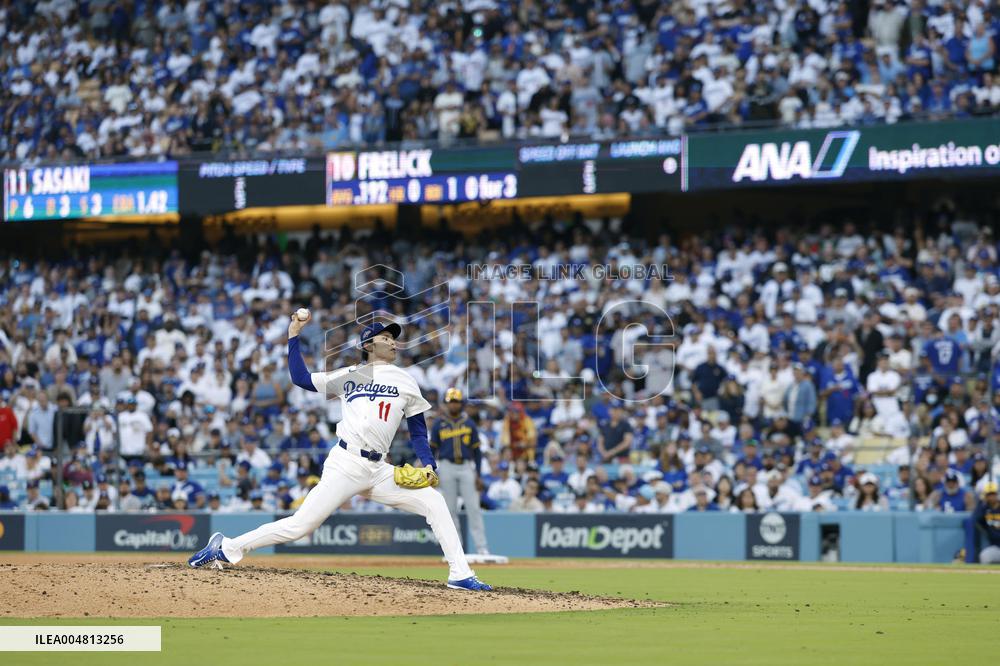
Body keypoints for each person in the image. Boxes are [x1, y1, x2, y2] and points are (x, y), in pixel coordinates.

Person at [189, 316, 491, 591]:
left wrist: (428, 464)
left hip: (380, 469)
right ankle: (227, 546)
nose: (393, 341)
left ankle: (460, 574)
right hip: (346, 463)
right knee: (300, 526)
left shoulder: (406, 380)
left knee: (434, 502)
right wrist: (293, 335)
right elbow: (301, 379)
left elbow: (417, 431)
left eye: (394, 337)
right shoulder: (352, 375)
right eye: (386, 338)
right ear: (368, 345)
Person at [430, 387, 492, 557]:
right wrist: (432, 471)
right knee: (450, 510)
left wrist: (478, 473)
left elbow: (477, 452)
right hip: (447, 466)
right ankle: (456, 551)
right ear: (446, 404)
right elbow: (432, 450)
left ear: (461, 404)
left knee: (473, 508)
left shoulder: (469, 423)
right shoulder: (439, 424)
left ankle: (482, 548)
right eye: (451, 402)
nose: (454, 405)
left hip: (466, 467)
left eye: (456, 402)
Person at [971, 482, 1000, 563]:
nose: (991, 497)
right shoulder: (984, 509)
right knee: (985, 556)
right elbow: (975, 519)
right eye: (989, 495)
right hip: (996, 547)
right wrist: (982, 503)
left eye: (993, 494)